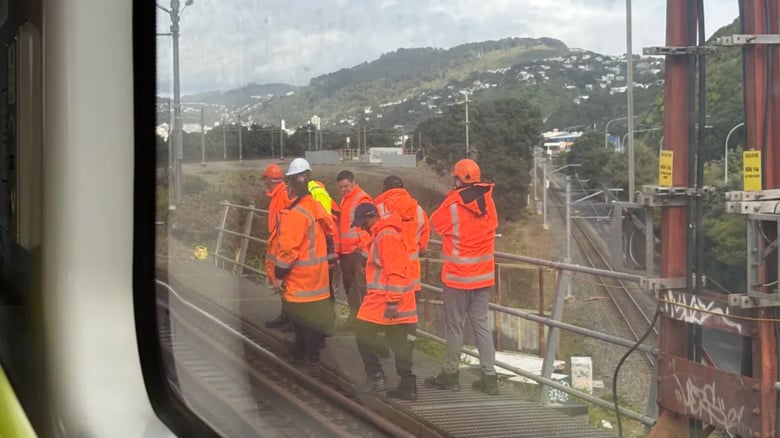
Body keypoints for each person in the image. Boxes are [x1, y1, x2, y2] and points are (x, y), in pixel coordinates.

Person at [424, 159, 500, 396]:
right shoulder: (488, 201)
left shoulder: (452, 205)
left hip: (458, 278)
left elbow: (434, 224)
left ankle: (451, 375)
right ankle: (490, 378)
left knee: (455, 327)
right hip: (483, 277)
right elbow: (493, 226)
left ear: (457, 179)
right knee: (481, 326)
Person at [268, 158, 335, 376]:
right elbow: (329, 231)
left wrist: (278, 277)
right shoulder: (314, 207)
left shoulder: (296, 215)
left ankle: (309, 360)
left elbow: (288, 251)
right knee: (307, 320)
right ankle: (302, 355)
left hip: (301, 279)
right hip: (318, 278)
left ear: (291, 185)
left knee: (304, 322)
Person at [351, 203, 418, 400]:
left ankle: (376, 378)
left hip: (386, 302)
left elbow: (396, 272)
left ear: (370, 218)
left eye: (362, 222)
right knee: (399, 343)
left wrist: (391, 302)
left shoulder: (386, 236)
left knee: (363, 333)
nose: (361, 226)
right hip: (396, 301)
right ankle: (408, 386)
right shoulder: (384, 233)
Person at [374, 175, 430, 299]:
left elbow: (373, 239)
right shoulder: (418, 209)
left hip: (388, 276)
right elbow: (422, 244)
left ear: (384, 189)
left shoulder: (379, 209)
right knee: (410, 314)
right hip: (412, 275)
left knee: (390, 315)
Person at [336, 170, 372, 328]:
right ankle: (354, 319)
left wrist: (361, 248)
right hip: (346, 250)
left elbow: (368, 227)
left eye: (346, 186)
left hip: (356, 251)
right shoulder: (345, 199)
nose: (343, 190)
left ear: (354, 182)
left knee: (360, 287)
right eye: (341, 187)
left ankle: (365, 321)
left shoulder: (362, 198)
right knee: (349, 286)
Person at [262, 163, 294, 331]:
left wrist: (282, 243)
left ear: (269, 179)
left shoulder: (282, 194)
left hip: (281, 244)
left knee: (284, 280)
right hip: (277, 243)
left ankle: (289, 317)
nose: (264, 183)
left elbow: (286, 220)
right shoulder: (278, 194)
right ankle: (286, 315)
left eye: (265, 179)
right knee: (281, 280)